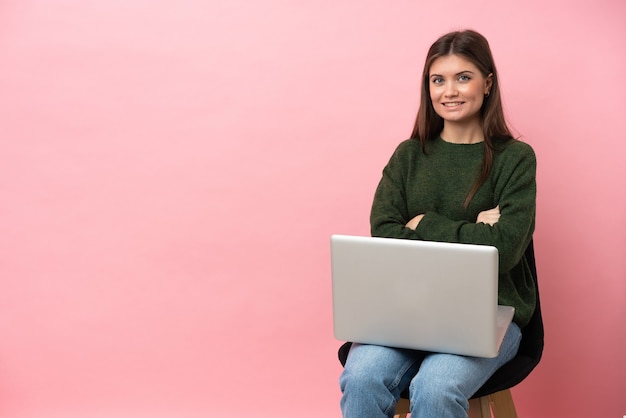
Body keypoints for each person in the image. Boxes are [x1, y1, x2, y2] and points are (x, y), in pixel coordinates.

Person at [339, 29, 537, 418]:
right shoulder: (409, 156)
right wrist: (473, 230)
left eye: (463, 77)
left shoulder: (515, 158)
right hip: (405, 313)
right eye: (438, 79)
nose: (450, 90)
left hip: (490, 315)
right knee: (361, 377)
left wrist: (423, 222)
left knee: (437, 385)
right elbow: (385, 234)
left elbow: (506, 248)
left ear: (487, 82)